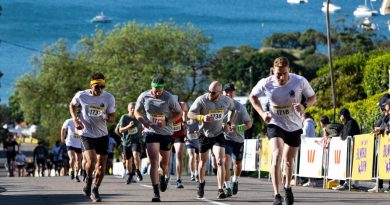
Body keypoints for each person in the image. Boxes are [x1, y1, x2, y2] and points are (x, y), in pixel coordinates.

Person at [249, 57, 316, 205]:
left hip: (294, 126)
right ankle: (277, 195)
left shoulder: (299, 81)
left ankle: (287, 187)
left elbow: (312, 97)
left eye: (284, 73)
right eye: (278, 73)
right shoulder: (266, 83)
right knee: (277, 154)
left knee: (289, 161)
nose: (281, 77)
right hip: (274, 123)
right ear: (273, 71)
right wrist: (262, 113)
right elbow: (252, 96)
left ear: (289, 71)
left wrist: (304, 106)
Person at [69, 72, 116, 202]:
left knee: (101, 166)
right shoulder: (81, 95)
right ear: (91, 86)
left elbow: (112, 118)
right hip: (86, 134)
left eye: (103, 86)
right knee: (92, 161)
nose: (100, 90)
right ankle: (88, 179)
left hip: (102, 135)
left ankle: (95, 189)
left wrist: (106, 116)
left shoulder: (109, 98)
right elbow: (72, 105)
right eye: (97, 87)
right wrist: (75, 120)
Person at [135, 77, 182, 202]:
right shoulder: (144, 96)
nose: (158, 92)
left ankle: (163, 177)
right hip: (151, 132)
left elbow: (179, 113)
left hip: (166, 133)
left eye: (160, 90)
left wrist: (167, 121)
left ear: (163, 88)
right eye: (156, 89)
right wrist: (142, 121)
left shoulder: (169, 98)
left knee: (164, 164)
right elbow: (136, 111)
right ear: (152, 86)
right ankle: (156, 192)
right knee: (154, 161)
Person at [188, 81, 235, 199]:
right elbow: (190, 113)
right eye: (208, 91)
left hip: (218, 134)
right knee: (202, 161)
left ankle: (220, 189)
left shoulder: (226, 100)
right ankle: (201, 184)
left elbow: (232, 109)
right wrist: (201, 117)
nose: (210, 94)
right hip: (204, 134)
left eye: (213, 93)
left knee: (220, 161)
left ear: (219, 93)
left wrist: (228, 123)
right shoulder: (202, 100)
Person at [221, 83, 252, 197]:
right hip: (225, 138)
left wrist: (238, 127)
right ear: (222, 93)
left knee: (237, 164)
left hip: (238, 139)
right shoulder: (219, 106)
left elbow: (249, 124)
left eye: (231, 91)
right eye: (226, 91)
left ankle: (235, 180)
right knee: (225, 161)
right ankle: (227, 186)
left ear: (234, 93)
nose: (228, 93)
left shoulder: (240, 107)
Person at [332, 107, 361, 191]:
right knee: (347, 165)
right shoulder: (347, 123)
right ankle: (348, 182)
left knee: (349, 165)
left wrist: (342, 136)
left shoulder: (351, 122)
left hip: (352, 148)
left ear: (343, 116)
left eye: (340, 116)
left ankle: (348, 183)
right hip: (349, 148)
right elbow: (342, 134)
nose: (339, 118)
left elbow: (346, 135)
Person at [118, 102, 144, 184]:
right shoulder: (124, 117)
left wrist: (143, 131)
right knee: (128, 160)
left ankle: (137, 171)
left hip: (136, 140)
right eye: (131, 108)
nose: (133, 110)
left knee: (136, 155)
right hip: (126, 142)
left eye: (134, 108)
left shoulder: (139, 117)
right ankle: (130, 174)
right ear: (128, 109)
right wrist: (128, 126)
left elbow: (144, 125)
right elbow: (120, 130)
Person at [172, 101, 188, 188]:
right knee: (166, 158)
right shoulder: (165, 105)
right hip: (167, 134)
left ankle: (178, 179)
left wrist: (184, 121)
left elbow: (185, 109)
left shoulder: (181, 104)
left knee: (179, 155)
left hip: (179, 134)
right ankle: (166, 176)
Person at [61, 118, 83, 182]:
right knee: (72, 158)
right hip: (70, 143)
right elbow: (63, 129)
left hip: (79, 144)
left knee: (79, 161)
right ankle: (72, 170)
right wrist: (62, 138)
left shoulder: (83, 121)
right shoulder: (69, 121)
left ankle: (76, 175)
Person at [300, 112, 316, 187]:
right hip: (309, 145)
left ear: (304, 117)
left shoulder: (307, 122)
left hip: (308, 145)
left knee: (309, 163)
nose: (301, 119)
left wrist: (297, 134)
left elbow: (304, 133)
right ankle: (310, 180)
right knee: (309, 163)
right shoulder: (309, 122)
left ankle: (311, 181)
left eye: (301, 117)